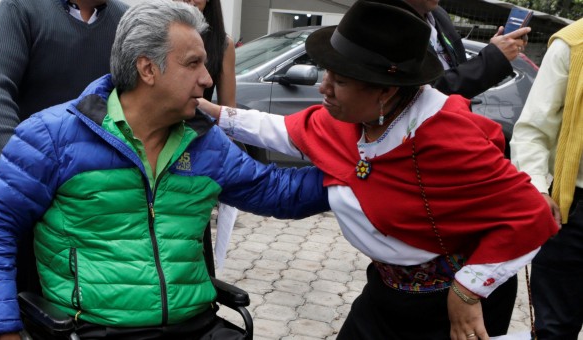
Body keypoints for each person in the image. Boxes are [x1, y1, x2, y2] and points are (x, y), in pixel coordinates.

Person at [0, 1, 330, 339]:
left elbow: (279, 191)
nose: (207, 79)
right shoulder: (52, 137)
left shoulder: (205, 142)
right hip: (92, 329)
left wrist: (361, 172)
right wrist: (2, 332)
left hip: (196, 327)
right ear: (147, 69)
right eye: (192, 64)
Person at [198, 1, 558, 338]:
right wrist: (206, 110)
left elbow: (533, 216)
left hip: (453, 305)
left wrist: (468, 290)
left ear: (385, 92)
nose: (323, 89)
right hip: (387, 293)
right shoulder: (351, 119)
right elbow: (282, 130)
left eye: (338, 82)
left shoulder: (447, 134)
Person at [0, 0, 128, 163]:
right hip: (33, 165)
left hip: (104, 173)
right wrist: (19, 161)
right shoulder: (19, 9)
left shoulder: (126, 20)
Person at [510, 18, 583, 340]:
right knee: (554, 330)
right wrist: (538, 190)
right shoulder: (572, 44)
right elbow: (532, 131)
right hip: (572, 211)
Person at [177, 0, 238, 269]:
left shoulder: (222, 44)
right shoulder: (153, 30)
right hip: (151, 142)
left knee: (191, 233)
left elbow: (228, 112)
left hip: (195, 148)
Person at [400, 0, 530, 99]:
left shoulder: (438, 15)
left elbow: (459, 69)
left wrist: (495, 49)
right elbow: (431, 91)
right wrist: (494, 56)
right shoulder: (390, 25)